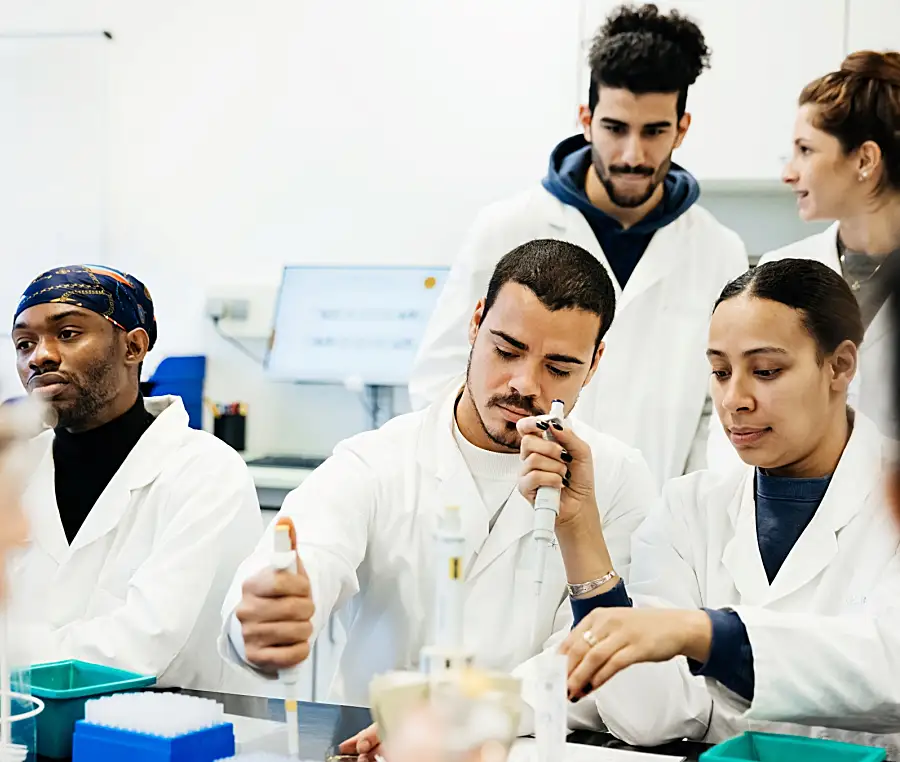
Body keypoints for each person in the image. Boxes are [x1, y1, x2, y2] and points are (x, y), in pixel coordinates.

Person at [220, 240, 655, 745]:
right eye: (507, 350)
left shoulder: (619, 476)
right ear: (475, 323)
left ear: (595, 361)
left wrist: (458, 717)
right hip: (373, 748)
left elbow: (596, 665)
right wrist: (265, 617)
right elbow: (310, 552)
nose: (524, 384)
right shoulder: (378, 460)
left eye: (558, 368)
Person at [544, 259, 900, 753]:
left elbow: (890, 671)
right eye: (720, 371)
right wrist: (579, 527)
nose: (735, 399)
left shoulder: (890, 493)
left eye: (766, 371)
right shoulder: (690, 509)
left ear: (840, 365)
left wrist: (709, 634)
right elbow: (649, 717)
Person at [409, 3, 748, 486]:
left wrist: (685, 515)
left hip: (649, 527)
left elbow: (713, 416)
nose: (633, 154)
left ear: (682, 128)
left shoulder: (718, 251)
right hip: (514, 512)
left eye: (654, 132)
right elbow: (437, 384)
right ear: (586, 119)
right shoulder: (507, 226)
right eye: (615, 129)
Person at [8, 265, 263, 690]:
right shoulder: (17, 469)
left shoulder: (205, 472)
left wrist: (13, 657)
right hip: (22, 730)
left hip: (162, 736)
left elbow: (145, 648)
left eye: (68, 333)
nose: (40, 356)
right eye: (24, 343)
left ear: (133, 346)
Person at [708, 50, 900, 471]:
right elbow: (729, 436)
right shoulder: (779, 271)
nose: (789, 173)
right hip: (777, 516)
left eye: (805, 150)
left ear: (865, 160)